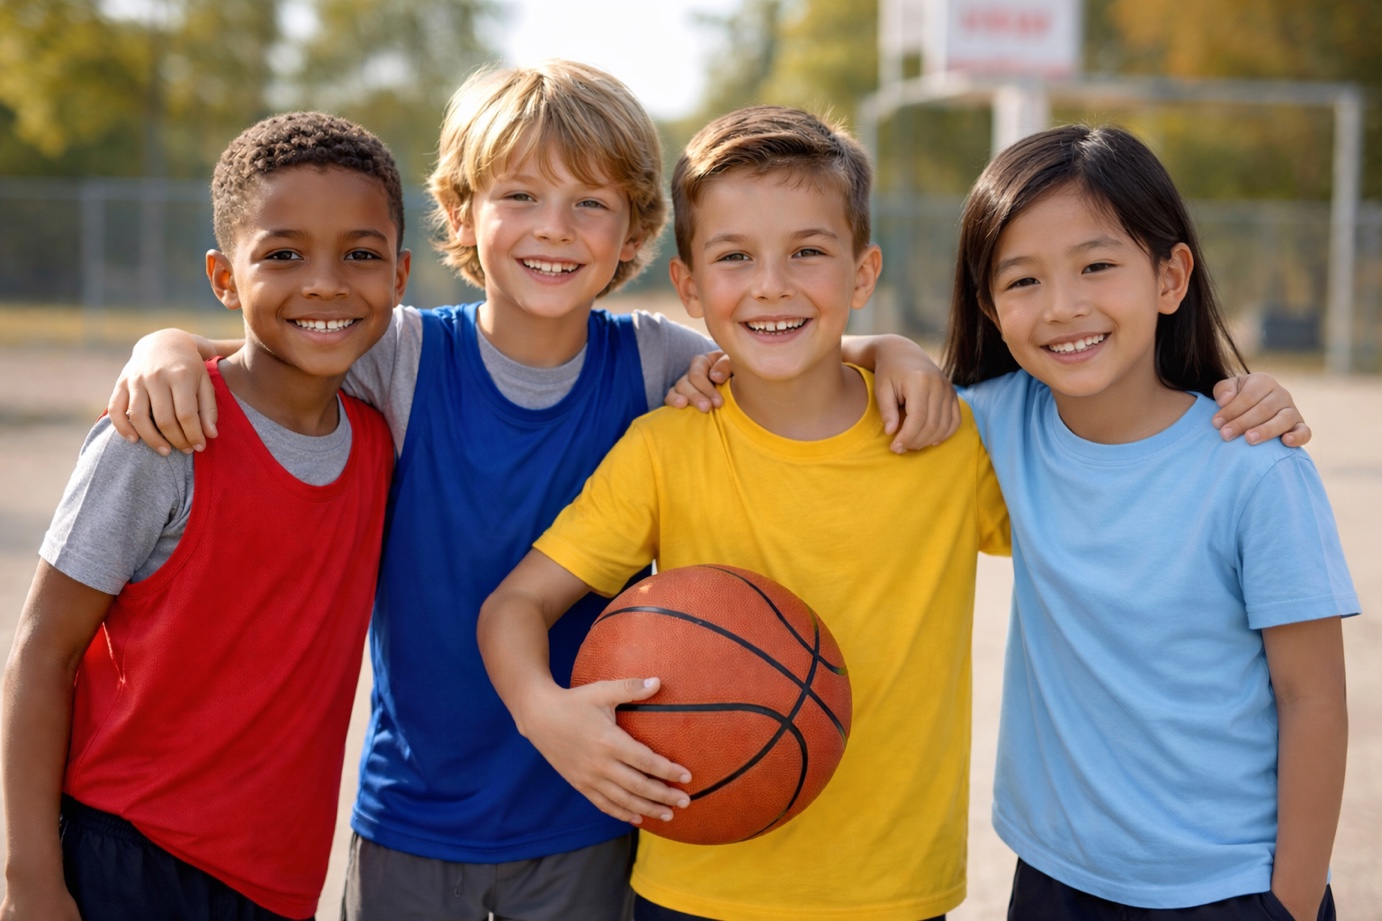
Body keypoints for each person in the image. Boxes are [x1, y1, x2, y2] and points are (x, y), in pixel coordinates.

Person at [101, 62, 955, 921]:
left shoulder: (656, 360)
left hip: (589, 817)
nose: (556, 229)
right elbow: (280, 338)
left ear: (633, 232)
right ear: (463, 213)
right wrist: (169, 344)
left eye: (590, 202)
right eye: (520, 196)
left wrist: (886, 351)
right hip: (411, 817)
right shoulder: (401, 356)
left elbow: (780, 333)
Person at [477, 103, 1013, 921]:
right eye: (735, 257)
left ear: (864, 273)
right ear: (688, 286)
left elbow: (1108, 486)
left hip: (890, 894)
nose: (773, 284)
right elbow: (515, 604)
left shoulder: (941, 437)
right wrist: (544, 711)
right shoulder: (668, 447)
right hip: (696, 887)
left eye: (808, 251)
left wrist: (1231, 400)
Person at [943, 124, 1358, 921]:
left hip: (1229, 890)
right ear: (990, 307)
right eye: (1021, 279)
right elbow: (839, 387)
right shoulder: (999, 424)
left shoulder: (1255, 466)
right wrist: (887, 350)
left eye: (1097, 266)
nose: (1063, 306)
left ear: (1170, 277)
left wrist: (1292, 905)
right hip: (1056, 879)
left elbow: (1314, 700)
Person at [0, 112, 408, 920]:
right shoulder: (162, 433)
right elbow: (41, 652)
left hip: (278, 882)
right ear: (225, 278)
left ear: (399, 277)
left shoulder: (379, 433)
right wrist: (29, 879)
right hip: (124, 854)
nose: (325, 282)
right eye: (283, 254)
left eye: (359, 255)